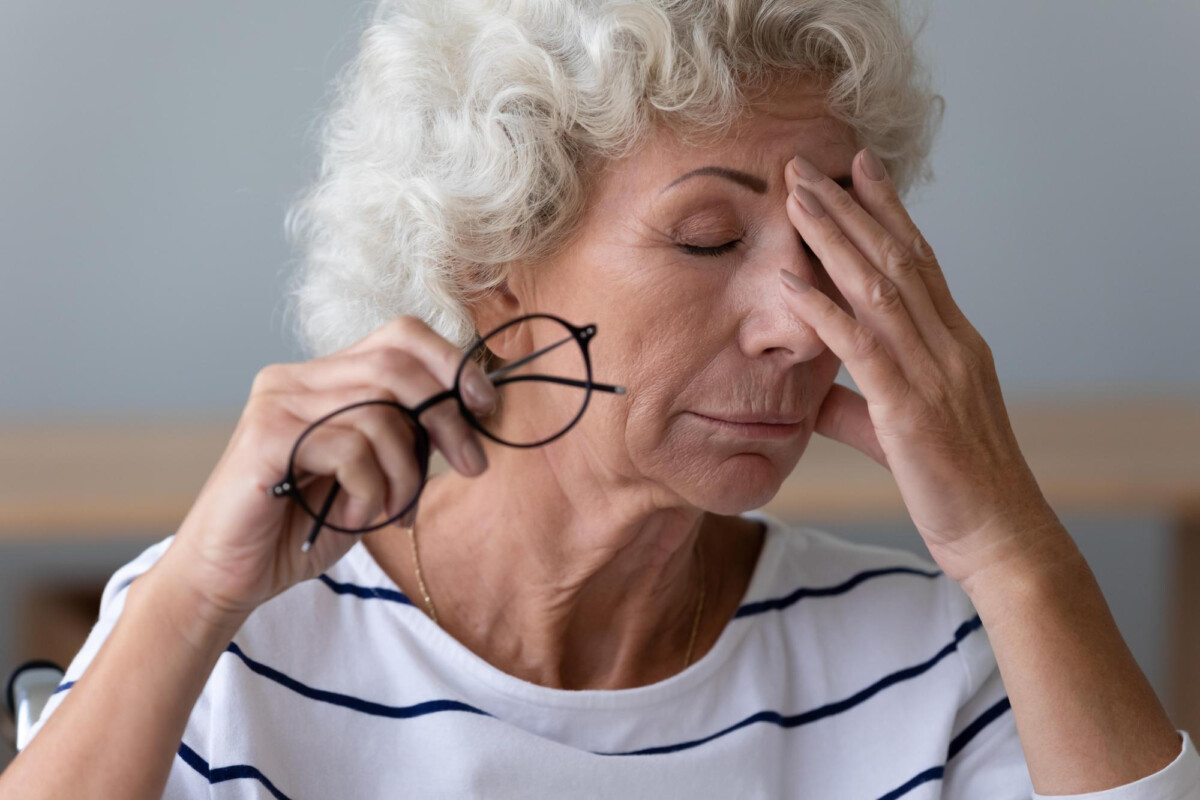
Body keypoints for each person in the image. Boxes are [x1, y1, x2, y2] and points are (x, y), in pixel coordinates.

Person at [3, 0, 1198, 797]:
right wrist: (193, 601)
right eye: (707, 236)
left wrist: (1013, 545)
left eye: (833, 239)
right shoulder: (224, 646)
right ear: (490, 254)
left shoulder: (925, 659)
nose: (799, 322)